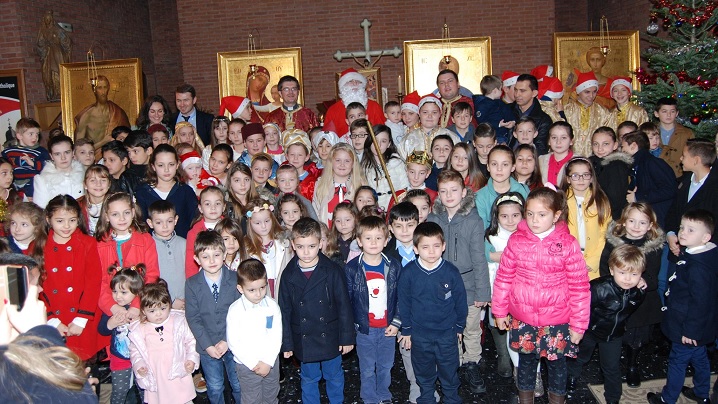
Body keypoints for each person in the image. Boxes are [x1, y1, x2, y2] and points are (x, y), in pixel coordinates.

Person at [492, 187, 591, 404]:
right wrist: (499, 311)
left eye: (542, 214)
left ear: (556, 215)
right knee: (526, 364)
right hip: (524, 318)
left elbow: (580, 287)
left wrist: (578, 325)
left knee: (557, 365)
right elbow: (503, 278)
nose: (534, 220)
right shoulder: (517, 241)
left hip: (557, 320)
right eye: (530, 214)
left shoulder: (567, 244)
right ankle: (525, 399)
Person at [279, 217, 355, 404]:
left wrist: (347, 337)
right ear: (292, 245)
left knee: (334, 375)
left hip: (329, 335)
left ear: (321, 243)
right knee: (308, 378)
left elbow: (344, 305)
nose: (306, 252)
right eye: (301, 246)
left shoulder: (332, 271)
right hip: (305, 338)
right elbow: (285, 310)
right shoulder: (288, 275)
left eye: (311, 246)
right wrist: (286, 343)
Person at [427, 169, 490, 394]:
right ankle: (453, 364)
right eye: (443, 191)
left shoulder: (473, 220)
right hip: (442, 284)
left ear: (463, 192)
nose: (449, 195)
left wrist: (482, 292)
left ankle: (472, 363)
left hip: (468, 284)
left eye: (454, 190)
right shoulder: (433, 219)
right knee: (448, 329)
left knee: (471, 327)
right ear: (438, 194)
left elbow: (479, 258)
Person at [647, 210, 718, 404]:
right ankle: (702, 393)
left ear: (705, 237)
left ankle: (667, 399)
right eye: (681, 227)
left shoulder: (698, 267)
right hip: (698, 326)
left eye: (690, 230)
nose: (682, 233)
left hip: (688, 326)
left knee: (677, 361)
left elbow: (700, 302)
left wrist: (691, 331)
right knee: (700, 357)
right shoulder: (703, 254)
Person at [397, 221, 467, 404]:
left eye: (436, 246)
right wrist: (407, 330)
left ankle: (451, 397)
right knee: (423, 369)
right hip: (420, 335)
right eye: (425, 247)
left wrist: (460, 326)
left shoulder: (451, 272)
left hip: (446, 333)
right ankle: (426, 396)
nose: (431, 251)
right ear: (416, 249)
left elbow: (460, 301)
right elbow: (403, 303)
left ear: (443, 246)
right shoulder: (408, 273)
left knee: (449, 368)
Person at [567, 245, 646, 404]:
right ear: (612, 270)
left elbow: (629, 311)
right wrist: (576, 327)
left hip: (613, 335)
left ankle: (613, 398)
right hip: (589, 331)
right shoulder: (599, 287)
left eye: (634, 274)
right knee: (580, 357)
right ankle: (571, 378)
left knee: (611, 368)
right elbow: (580, 306)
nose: (627, 279)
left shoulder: (638, 292)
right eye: (622, 273)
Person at [599, 202, 665, 388]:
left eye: (642, 223)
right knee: (616, 332)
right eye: (632, 221)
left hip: (641, 298)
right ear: (623, 222)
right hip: (617, 293)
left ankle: (632, 364)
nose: (636, 227)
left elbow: (654, 275)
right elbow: (605, 266)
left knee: (636, 335)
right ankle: (610, 364)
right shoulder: (614, 242)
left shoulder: (653, 247)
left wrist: (645, 281)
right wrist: (612, 284)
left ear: (651, 225)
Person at [345, 216, 402, 404]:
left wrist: (397, 322)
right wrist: (351, 327)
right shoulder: (352, 268)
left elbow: (401, 297)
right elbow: (348, 300)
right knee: (367, 367)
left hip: (388, 327)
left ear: (386, 241)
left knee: (386, 365)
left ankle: (384, 394)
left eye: (379, 238)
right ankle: (369, 397)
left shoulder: (393, 266)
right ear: (359, 241)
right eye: (368, 238)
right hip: (364, 328)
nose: (373, 242)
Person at [41, 195, 102, 360]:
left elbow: (93, 283)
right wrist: (52, 319)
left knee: (85, 370)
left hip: (81, 319)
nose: (67, 226)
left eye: (72, 220)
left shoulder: (87, 244)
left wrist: (81, 318)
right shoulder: (39, 245)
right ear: (48, 219)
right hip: (54, 318)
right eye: (60, 221)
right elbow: (36, 287)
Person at [185, 230, 242, 404]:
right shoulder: (192, 283)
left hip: (233, 343)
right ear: (197, 259)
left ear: (224, 255)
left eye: (216, 255)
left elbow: (240, 313)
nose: (211, 261)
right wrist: (208, 345)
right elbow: (193, 317)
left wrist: (227, 340)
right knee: (215, 386)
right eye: (205, 256)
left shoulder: (235, 279)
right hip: (207, 345)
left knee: (238, 384)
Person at [129, 280, 199, 404]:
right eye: (152, 311)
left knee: (184, 400)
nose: (158, 314)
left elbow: (191, 341)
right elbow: (135, 351)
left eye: (163, 308)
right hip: (156, 375)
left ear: (169, 306)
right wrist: (139, 365)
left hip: (177, 372)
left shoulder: (178, 321)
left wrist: (191, 359)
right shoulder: (140, 329)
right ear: (143, 311)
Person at [226, 258, 283, 404]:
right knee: (252, 399)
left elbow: (276, 336)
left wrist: (268, 361)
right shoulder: (235, 310)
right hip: (247, 366)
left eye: (262, 288)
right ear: (240, 288)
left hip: (270, 362)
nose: (258, 294)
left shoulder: (272, 306)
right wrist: (253, 364)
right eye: (251, 290)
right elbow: (234, 343)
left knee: (271, 396)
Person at [96, 192, 160, 318]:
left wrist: (136, 305)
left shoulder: (145, 239)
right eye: (115, 214)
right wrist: (112, 306)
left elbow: (151, 275)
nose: (122, 218)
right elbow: (100, 280)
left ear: (133, 212)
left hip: (140, 303)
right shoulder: (100, 244)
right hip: (112, 305)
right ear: (107, 216)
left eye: (126, 213)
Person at [483, 193, 526, 381]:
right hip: (498, 287)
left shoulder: (528, 236)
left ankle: (521, 364)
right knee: (499, 322)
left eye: (515, 215)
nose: (510, 220)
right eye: (504, 216)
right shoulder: (491, 238)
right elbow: (486, 263)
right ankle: (503, 354)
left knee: (519, 326)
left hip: (522, 291)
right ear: (496, 216)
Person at [97, 263, 146, 404]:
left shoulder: (140, 309)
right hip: (120, 358)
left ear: (136, 292)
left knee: (145, 389)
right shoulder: (114, 310)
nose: (118, 296)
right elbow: (101, 330)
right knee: (119, 391)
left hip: (143, 357)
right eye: (114, 291)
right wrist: (110, 324)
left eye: (123, 292)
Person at [561, 157, 611, 279]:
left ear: (592, 178)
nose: (581, 179)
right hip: (567, 263)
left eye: (585, 175)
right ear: (568, 179)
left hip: (593, 266)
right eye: (575, 175)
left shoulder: (601, 200)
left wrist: (592, 261)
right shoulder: (560, 200)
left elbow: (605, 234)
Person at [135, 144, 199, 238]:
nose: (166, 169)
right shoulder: (143, 192)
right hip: (152, 249)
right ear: (153, 166)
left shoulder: (186, 191)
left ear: (177, 165)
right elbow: (140, 226)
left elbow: (194, 223)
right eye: (161, 165)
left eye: (171, 164)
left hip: (182, 248)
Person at [621, 130, 676, 228]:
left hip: (659, 220)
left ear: (633, 146)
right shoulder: (637, 166)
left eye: (623, 147)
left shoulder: (653, 163)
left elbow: (669, 190)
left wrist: (638, 198)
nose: (621, 151)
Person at [244, 199, 293, 298]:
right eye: (257, 223)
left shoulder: (285, 242)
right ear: (250, 223)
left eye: (267, 221)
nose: (263, 226)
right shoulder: (246, 248)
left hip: (284, 293)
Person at [312, 143, 367, 226]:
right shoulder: (320, 184)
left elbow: (366, 212)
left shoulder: (360, 185)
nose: (342, 164)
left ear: (353, 164)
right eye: (338, 160)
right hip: (327, 233)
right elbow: (315, 212)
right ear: (331, 162)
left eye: (347, 161)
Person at [474, 145, 529, 227]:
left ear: (513, 167)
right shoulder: (480, 197)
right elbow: (482, 230)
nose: (499, 169)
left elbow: (528, 222)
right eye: (494, 164)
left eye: (505, 164)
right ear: (488, 167)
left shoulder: (523, 191)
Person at [563, 71, 615, 157]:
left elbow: (609, 138)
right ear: (578, 92)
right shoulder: (567, 110)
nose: (591, 95)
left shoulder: (603, 112)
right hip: (570, 158)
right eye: (587, 92)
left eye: (594, 92)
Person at [147, 200, 187, 307]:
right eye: (159, 222)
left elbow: (191, 273)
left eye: (169, 221)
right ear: (150, 223)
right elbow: (149, 277)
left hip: (185, 300)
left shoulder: (184, 243)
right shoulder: (148, 245)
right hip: (159, 302)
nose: (165, 226)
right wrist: (171, 300)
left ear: (175, 220)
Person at [74, 75, 131, 150]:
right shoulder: (86, 116)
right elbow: (79, 149)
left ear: (108, 88)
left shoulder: (117, 112)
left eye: (105, 87)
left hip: (115, 156)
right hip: (93, 158)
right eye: (99, 88)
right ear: (94, 90)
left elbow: (129, 140)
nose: (103, 92)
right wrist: (103, 142)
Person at [324, 68, 385, 136]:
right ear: (343, 86)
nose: (355, 83)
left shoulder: (374, 106)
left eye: (358, 81)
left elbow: (382, 132)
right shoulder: (333, 110)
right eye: (350, 81)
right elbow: (328, 137)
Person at [589, 127, 633, 220]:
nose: (600, 148)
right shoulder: (592, 163)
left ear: (615, 145)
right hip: (595, 213)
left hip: (611, 216)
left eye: (605, 144)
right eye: (595, 144)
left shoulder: (616, 165)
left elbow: (615, 199)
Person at [361, 124, 409, 210]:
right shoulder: (364, 167)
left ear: (389, 144)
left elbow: (404, 188)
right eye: (375, 140)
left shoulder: (397, 163)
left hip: (394, 209)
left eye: (383, 141)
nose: (378, 145)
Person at [2, 118, 50, 200]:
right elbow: (3, 163)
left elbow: (48, 166)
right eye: (31, 134)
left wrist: (33, 163)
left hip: (31, 182)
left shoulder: (40, 151)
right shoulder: (9, 151)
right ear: (19, 136)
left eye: (37, 134)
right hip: (14, 182)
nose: (35, 137)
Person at [400, 94, 460, 159]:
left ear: (440, 113)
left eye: (434, 112)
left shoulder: (452, 137)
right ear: (419, 114)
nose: (429, 116)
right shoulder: (407, 140)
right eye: (425, 112)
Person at [33, 135, 85, 208]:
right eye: (57, 154)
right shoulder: (42, 180)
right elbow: (40, 209)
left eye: (67, 152)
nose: (63, 157)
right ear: (51, 156)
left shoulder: (85, 176)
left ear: (73, 153)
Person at [185, 186, 226, 277]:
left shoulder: (229, 228)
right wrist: (192, 284)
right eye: (207, 204)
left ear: (224, 207)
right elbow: (190, 264)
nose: (213, 208)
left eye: (217, 203)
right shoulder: (194, 233)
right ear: (200, 208)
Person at [509, 74, 553, 156]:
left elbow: (541, 149)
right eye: (515, 90)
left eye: (522, 91)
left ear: (534, 93)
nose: (517, 94)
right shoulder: (506, 111)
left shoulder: (543, 120)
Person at [654, 97, 695, 178]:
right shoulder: (650, 132)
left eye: (672, 111)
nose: (668, 115)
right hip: (655, 175)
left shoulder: (686, 133)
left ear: (676, 113)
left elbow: (693, 155)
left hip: (678, 176)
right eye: (664, 111)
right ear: (656, 113)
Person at [36, 10, 71, 101]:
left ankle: (60, 92)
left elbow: (66, 41)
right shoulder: (42, 31)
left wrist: (60, 43)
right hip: (48, 54)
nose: (47, 21)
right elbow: (39, 43)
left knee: (58, 72)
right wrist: (44, 47)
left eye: (49, 19)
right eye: (46, 19)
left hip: (57, 53)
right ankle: (53, 93)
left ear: (52, 20)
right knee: (49, 74)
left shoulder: (57, 30)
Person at [472, 74, 515, 144]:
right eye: (501, 89)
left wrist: (512, 121)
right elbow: (481, 121)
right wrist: (498, 124)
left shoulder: (499, 102)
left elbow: (507, 111)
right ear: (495, 91)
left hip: (504, 133)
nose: (502, 92)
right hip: (490, 136)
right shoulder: (482, 104)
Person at [283, 129, 320, 201]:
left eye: (300, 155)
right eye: (292, 154)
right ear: (286, 156)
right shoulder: (282, 178)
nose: (295, 158)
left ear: (306, 157)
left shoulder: (312, 181)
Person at [539, 121, 574, 186]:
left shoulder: (578, 161)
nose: (558, 142)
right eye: (554, 138)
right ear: (549, 141)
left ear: (571, 141)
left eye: (563, 138)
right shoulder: (541, 160)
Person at [80, 168, 113, 237]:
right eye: (93, 180)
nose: (98, 184)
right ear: (85, 184)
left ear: (109, 184)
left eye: (103, 180)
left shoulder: (116, 203)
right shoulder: (77, 205)